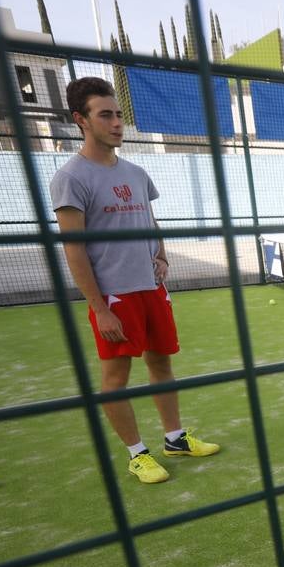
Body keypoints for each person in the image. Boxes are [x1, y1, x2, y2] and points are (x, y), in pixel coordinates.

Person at [50, 78, 219, 484]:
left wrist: (160, 255)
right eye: (105, 115)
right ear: (81, 120)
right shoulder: (71, 178)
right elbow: (74, 250)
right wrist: (99, 308)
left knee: (161, 362)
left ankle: (175, 439)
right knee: (117, 378)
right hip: (114, 295)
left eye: (119, 114)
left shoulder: (137, 173)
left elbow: (149, 220)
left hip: (151, 288)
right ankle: (137, 453)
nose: (116, 123)